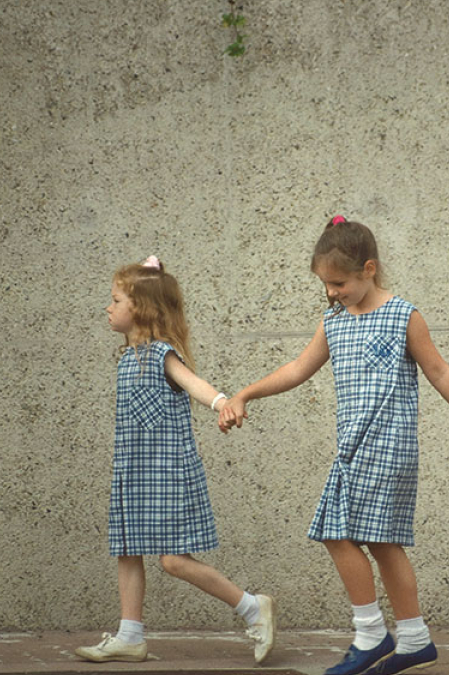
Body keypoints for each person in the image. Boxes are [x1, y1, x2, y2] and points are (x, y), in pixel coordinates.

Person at [219, 216, 449, 675]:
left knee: (348, 533)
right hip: (353, 446)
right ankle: (412, 639)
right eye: (326, 284)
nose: (332, 292)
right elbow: (296, 369)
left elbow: (440, 372)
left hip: (387, 445)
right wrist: (246, 393)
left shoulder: (402, 314)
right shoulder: (333, 321)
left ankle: (373, 634)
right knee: (380, 543)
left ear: (369, 268)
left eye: (340, 282)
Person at [75, 256, 276, 664]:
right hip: (134, 473)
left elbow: (194, 383)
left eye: (115, 300)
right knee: (128, 548)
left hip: (167, 473)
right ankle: (130, 634)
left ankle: (254, 607)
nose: (108, 308)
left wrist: (223, 403)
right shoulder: (127, 360)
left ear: (141, 309)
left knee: (173, 560)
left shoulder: (161, 354)